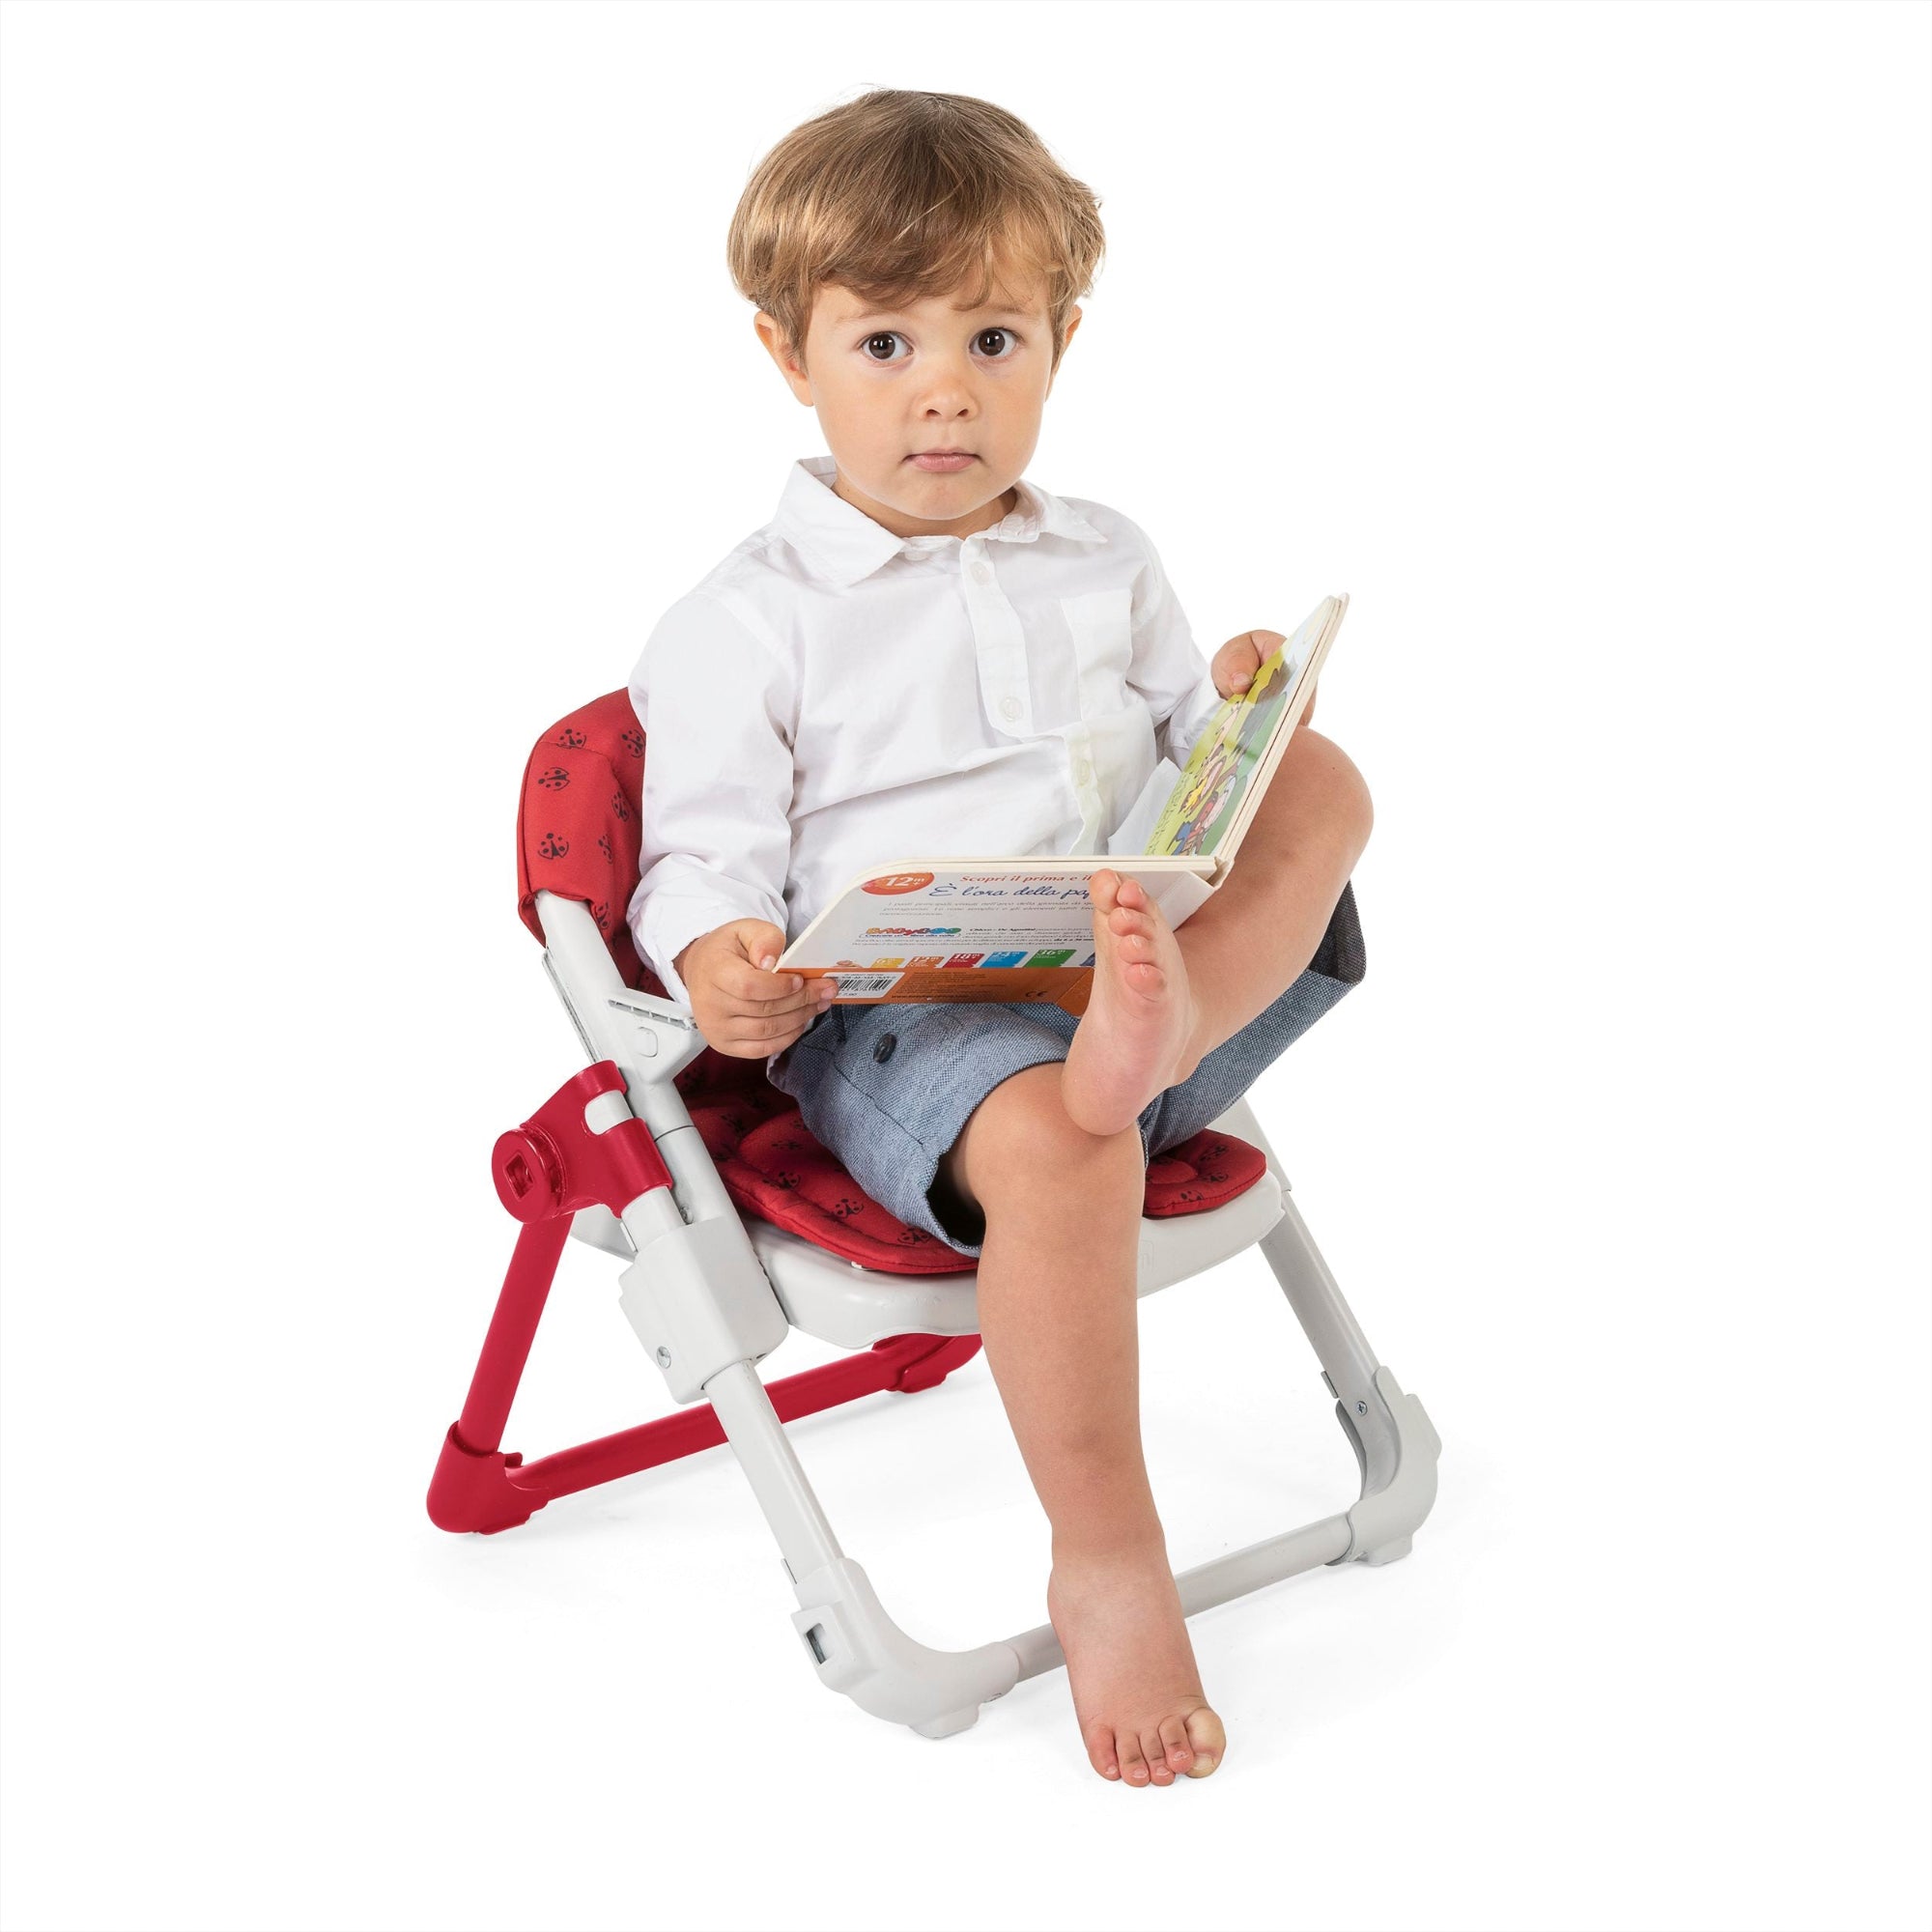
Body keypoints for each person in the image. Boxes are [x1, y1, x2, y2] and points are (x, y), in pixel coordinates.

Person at [626, 89, 1372, 1788]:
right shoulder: (748, 620)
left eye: (992, 337)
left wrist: (1244, 715)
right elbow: (697, 852)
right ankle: (1107, 1555)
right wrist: (722, 955)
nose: (945, 388)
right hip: (913, 1016)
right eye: (884, 343)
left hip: (1134, 961)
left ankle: (1160, 1039)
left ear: (1061, 343)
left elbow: (1194, 769)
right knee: (1053, 1134)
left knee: (1328, 784)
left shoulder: (1105, 554)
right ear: (788, 355)